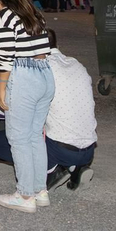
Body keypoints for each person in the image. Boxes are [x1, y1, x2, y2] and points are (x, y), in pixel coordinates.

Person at [0, 0, 54, 212]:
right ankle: (40, 190)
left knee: (18, 138)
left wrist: (1, 88)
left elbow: (7, 57)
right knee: (35, 136)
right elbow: (43, 49)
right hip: (45, 74)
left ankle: (24, 196)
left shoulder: (5, 16)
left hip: (23, 77)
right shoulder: (32, 12)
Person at [43, 29, 97, 189]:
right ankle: (76, 169)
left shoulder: (42, 68)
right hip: (89, 149)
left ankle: (54, 171)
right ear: (57, 45)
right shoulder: (76, 64)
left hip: (61, 149)